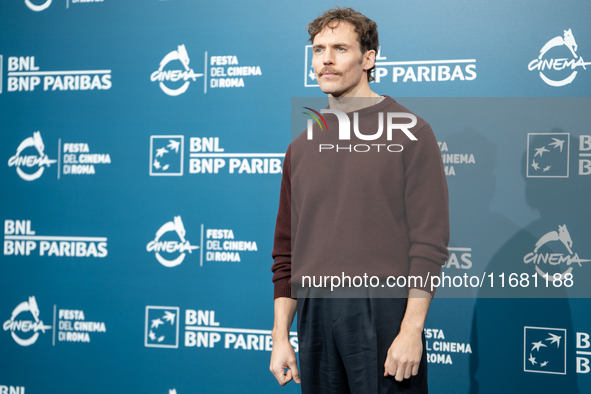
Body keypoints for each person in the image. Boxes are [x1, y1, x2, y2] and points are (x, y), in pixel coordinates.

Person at [270, 7, 449, 393]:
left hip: (382, 311)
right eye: (318, 50)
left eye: (339, 48)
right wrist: (281, 336)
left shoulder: (411, 132)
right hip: (315, 313)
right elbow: (285, 252)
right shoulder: (300, 147)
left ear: (369, 58)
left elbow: (429, 245)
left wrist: (411, 330)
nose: (326, 60)